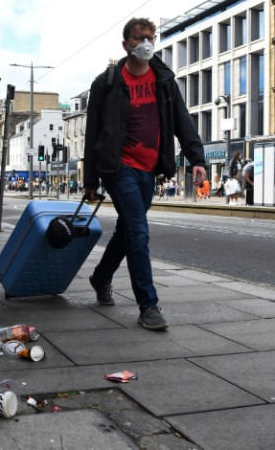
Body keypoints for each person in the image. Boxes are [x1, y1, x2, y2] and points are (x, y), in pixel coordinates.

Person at [83, 17, 206, 331]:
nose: (146, 43)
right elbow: (92, 132)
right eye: (139, 38)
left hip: (149, 170)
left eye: (151, 37)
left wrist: (197, 157)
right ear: (126, 45)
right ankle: (148, 307)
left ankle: (100, 277)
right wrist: (90, 180)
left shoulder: (163, 79)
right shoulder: (107, 82)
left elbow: (182, 119)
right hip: (119, 167)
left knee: (127, 231)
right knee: (138, 232)